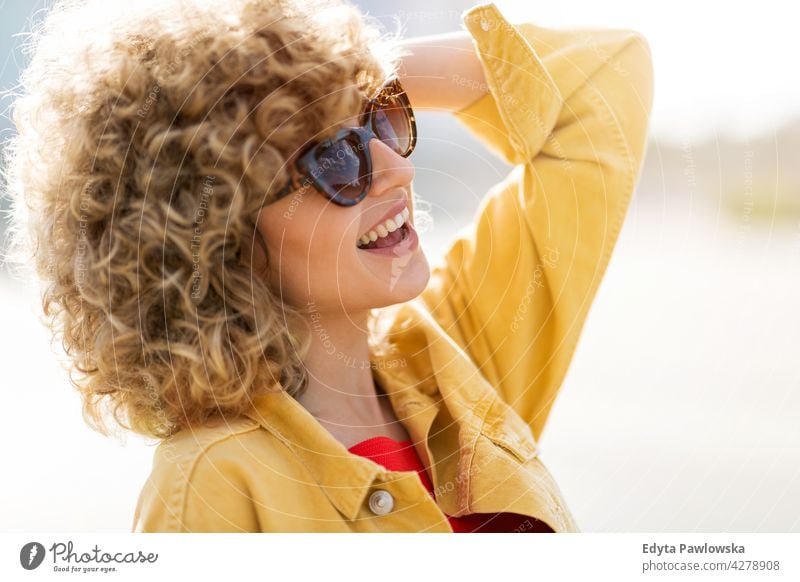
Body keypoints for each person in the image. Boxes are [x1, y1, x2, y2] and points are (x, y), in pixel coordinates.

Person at [5, 0, 653, 532]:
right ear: (216, 238)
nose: (398, 168)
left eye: (384, 120)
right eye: (335, 159)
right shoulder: (210, 483)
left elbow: (608, 78)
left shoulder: (457, 363)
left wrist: (348, 74)